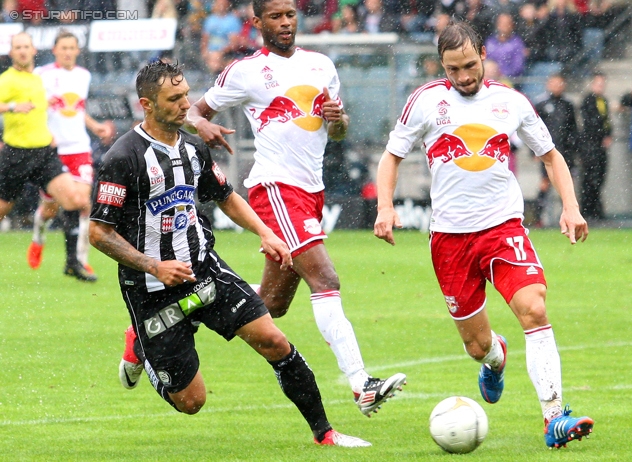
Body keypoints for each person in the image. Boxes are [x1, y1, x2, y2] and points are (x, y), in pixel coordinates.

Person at [89, 60, 370, 448]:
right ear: (146, 105)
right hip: (152, 289)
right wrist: (154, 265)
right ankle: (142, 344)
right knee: (191, 402)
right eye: (173, 99)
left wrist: (265, 232)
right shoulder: (123, 158)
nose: (185, 103)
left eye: (186, 93)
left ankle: (325, 434)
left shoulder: (193, 147)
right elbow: (99, 233)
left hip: (206, 271)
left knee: (274, 341)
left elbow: (225, 196)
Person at [374, 20, 594, 449]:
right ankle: (496, 357)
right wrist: (385, 207)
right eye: (453, 69)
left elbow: (551, 156)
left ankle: (555, 418)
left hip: (503, 228)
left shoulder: (511, 102)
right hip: (450, 241)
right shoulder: (424, 101)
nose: (464, 77)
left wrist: (571, 207)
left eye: (471, 65)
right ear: (442, 65)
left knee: (533, 308)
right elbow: (391, 157)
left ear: (483, 54)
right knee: (477, 346)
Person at [186, 0, 406, 417]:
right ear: (257, 23)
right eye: (275, 17)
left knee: (271, 304)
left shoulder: (322, 65)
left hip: (311, 190)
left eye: (290, 15)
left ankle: (177, 314)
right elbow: (194, 110)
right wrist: (203, 126)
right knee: (325, 278)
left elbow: (337, 132)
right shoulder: (247, 70)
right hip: (276, 189)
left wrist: (337, 120)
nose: (285, 23)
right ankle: (362, 384)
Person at [26, 31, 114, 281]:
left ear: (77, 51)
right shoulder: (41, 75)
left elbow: (77, 109)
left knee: (84, 203)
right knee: (51, 208)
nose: (67, 52)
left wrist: (95, 126)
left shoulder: (83, 76)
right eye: (63, 47)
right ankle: (38, 234)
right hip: (53, 150)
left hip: (79, 148)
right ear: (54, 50)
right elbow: (35, 109)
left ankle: (80, 261)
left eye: (72, 48)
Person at [0, 32, 87, 226]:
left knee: (74, 200)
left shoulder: (39, 78)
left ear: (34, 50)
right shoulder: (7, 80)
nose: (22, 51)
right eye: (18, 47)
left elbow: (42, 110)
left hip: (44, 153)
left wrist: (49, 134)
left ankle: (74, 258)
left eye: (26, 47)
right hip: (16, 155)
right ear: (11, 53)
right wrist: (12, 106)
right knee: (2, 210)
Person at [534, 74, 579, 227]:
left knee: (567, 184)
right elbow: (533, 129)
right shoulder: (541, 104)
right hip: (547, 152)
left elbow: (574, 129)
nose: (557, 86)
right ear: (548, 84)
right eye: (554, 83)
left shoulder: (568, 105)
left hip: (565, 152)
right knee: (545, 183)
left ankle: (570, 216)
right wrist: (533, 150)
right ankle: (538, 218)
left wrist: (574, 148)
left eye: (560, 84)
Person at [579, 71, 611, 220]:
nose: (600, 87)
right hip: (590, 145)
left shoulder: (603, 100)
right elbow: (592, 123)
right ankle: (589, 209)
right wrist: (600, 135)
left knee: (599, 176)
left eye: (602, 84)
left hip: (599, 145)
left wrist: (607, 134)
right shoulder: (588, 100)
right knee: (590, 177)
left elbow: (605, 121)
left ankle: (593, 208)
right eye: (598, 83)